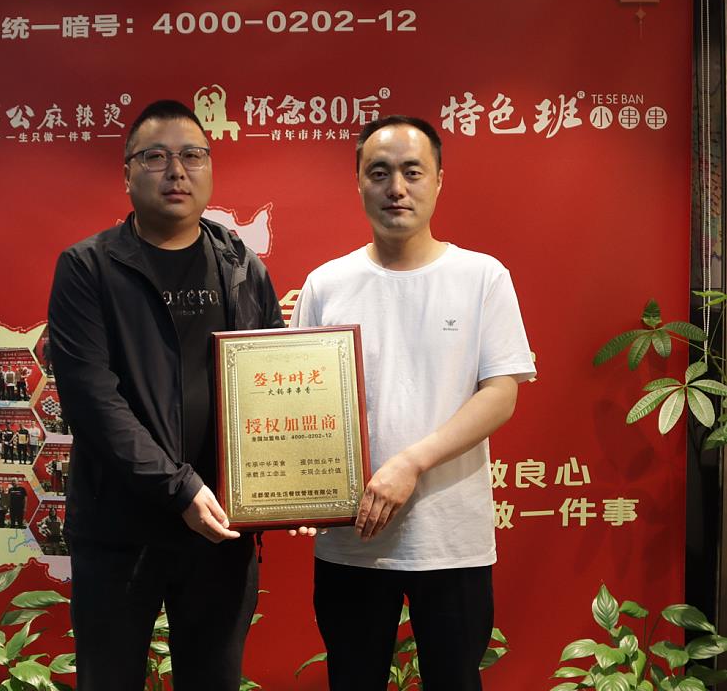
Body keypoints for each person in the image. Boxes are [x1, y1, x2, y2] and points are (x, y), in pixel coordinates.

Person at [292, 115, 535, 691]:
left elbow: (500, 393)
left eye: (412, 171)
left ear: (439, 180)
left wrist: (410, 462)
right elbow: (303, 400)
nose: (395, 188)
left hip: (450, 539)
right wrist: (301, 488)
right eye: (379, 173)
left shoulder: (482, 277)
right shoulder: (326, 284)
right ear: (359, 183)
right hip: (352, 539)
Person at [48, 99, 283, 691]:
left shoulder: (241, 267)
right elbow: (92, 400)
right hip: (118, 530)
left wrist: (293, 486)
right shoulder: (87, 269)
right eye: (156, 157)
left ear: (210, 169)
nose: (177, 171)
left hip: (221, 527)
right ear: (127, 174)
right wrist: (179, 488)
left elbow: (272, 381)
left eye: (192, 156)